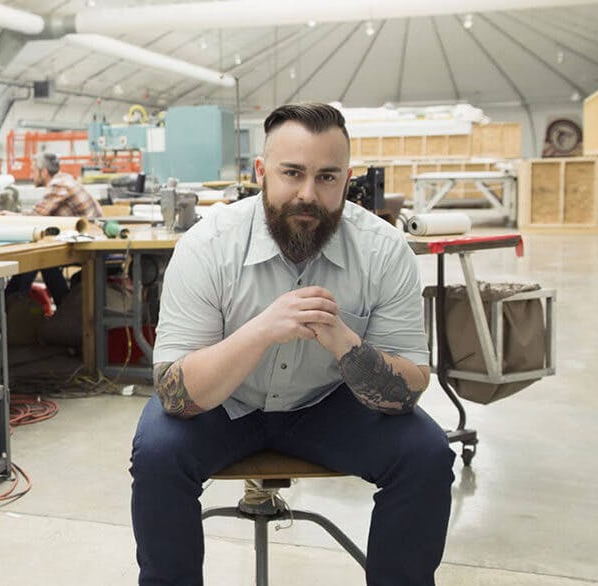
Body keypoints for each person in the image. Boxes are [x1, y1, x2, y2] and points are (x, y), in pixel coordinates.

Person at [130, 103, 455, 586]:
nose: (308, 193)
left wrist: (346, 343)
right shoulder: (208, 246)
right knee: (158, 453)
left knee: (427, 455)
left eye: (326, 177)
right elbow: (174, 394)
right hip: (226, 403)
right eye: (292, 173)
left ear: (347, 181)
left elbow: (409, 389)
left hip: (326, 404)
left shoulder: (383, 251)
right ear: (261, 172)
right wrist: (260, 331)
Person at [4, 151, 102, 307]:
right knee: (41, 260)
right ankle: (18, 302)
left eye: (33, 171)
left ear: (43, 172)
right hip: (90, 237)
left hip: (89, 242)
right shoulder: (64, 179)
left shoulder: (58, 184)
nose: (30, 176)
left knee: (37, 260)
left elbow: (37, 216)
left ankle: (11, 303)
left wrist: (8, 216)